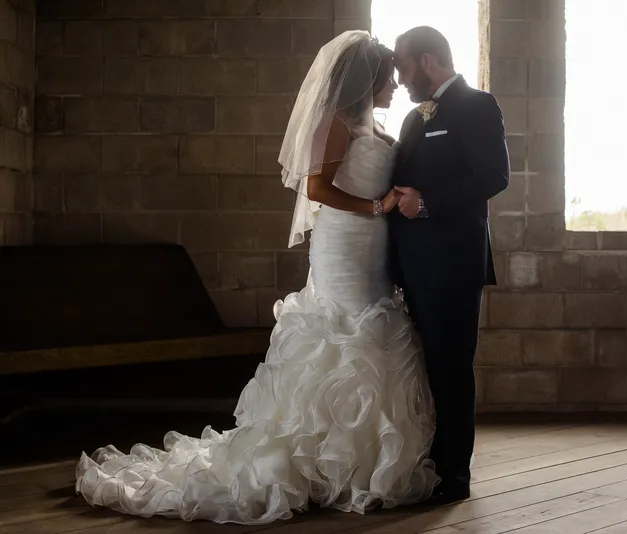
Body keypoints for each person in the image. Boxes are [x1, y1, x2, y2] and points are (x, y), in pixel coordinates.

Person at [74, 31, 439, 525]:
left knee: (372, 336)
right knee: (344, 337)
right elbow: (316, 187)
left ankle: (359, 470)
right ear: (366, 79)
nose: (394, 85)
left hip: (373, 249)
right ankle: (318, 464)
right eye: (387, 78)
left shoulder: (372, 126)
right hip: (342, 246)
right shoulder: (336, 124)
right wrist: (378, 206)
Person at [389, 26, 510, 505]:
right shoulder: (412, 120)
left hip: (453, 265)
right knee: (422, 369)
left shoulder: (479, 105)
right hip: (413, 266)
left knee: (452, 368)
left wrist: (429, 204)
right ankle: (426, 464)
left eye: (402, 68)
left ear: (426, 61)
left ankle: (454, 476)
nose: (398, 80)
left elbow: (494, 176)